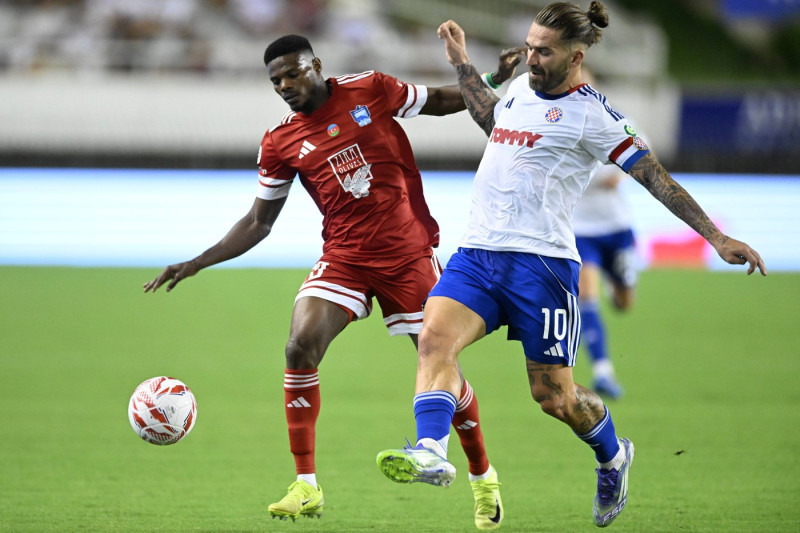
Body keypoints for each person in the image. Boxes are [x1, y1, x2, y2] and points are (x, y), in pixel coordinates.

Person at [376, 2, 767, 529]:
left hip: (543, 266)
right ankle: (430, 448)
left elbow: (655, 178)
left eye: (544, 51)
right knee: (433, 340)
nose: (532, 58)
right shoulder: (518, 90)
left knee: (554, 396)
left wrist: (717, 237)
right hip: (478, 253)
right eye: (531, 46)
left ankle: (613, 454)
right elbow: (491, 119)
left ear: (576, 56)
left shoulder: (595, 116)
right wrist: (463, 63)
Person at [143, 34, 521, 529]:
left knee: (439, 363)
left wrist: (491, 80)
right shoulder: (280, 141)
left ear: (315, 65)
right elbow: (259, 221)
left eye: (292, 73)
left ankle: (481, 474)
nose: (284, 85)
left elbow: (441, 101)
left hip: (407, 256)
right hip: (344, 258)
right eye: (275, 80)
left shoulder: (371, 89)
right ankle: (306, 486)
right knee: (299, 346)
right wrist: (198, 261)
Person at [574, 162, 636, 399]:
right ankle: (603, 373)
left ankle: (613, 282)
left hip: (617, 229)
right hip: (580, 230)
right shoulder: (564, 130)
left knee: (624, 304)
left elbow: (643, 154)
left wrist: (622, 174)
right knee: (587, 298)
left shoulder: (620, 126)